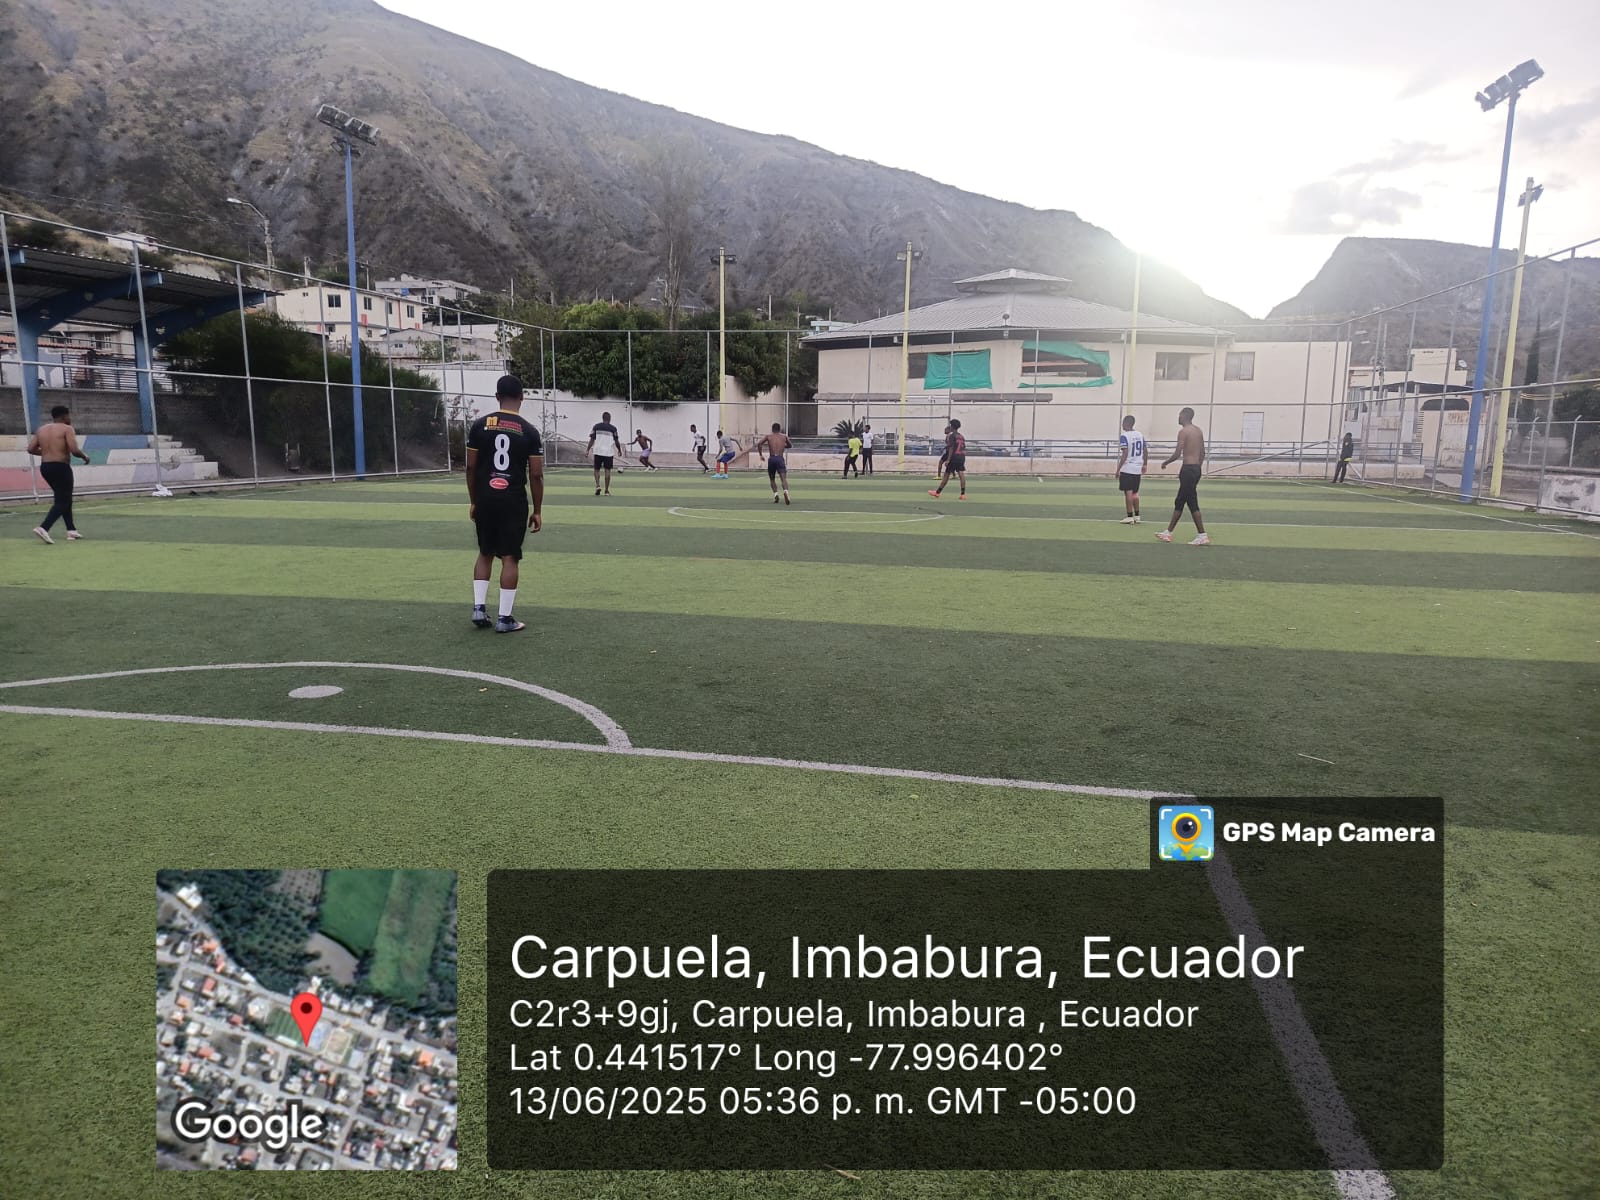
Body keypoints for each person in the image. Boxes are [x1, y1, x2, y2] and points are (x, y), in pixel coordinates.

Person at [465, 375, 544, 632]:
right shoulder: (529, 431)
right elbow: (536, 474)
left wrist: (474, 500)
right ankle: (504, 618)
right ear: (522, 397)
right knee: (510, 557)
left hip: (485, 498)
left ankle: (479, 609)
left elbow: (470, 467)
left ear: (497, 397)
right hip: (513, 500)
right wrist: (537, 510)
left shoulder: (479, 426)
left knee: (485, 552)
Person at [28, 404, 92, 544]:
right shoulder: (67, 428)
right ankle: (44, 527)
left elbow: (31, 449)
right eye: (69, 415)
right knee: (63, 500)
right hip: (61, 467)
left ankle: (71, 530)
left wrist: (46, 452)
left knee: (64, 498)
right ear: (64, 416)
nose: (70, 418)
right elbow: (74, 450)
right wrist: (85, 456)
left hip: (46, 467)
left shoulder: (41, 429)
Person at [1157, 407, 1209, 546]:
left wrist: (1166, 462)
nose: (1178, 417)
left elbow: (1177, 453)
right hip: (1195, 469)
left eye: (1180, 415)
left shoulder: (1183, 432)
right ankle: (1168, 532)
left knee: (1189, 501)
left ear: (1185, 416)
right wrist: (1197, 467)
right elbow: (1203, 452)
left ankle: (1202, 535)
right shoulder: (1198, 431)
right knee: (1182, 501)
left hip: (1188, 470)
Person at [1115, 414, 1147, 524]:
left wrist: (1118, 469)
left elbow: (1125, 453)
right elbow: (1145, 450)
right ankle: (1137, 515)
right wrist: (1145, 464)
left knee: (1128, 492)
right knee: (1135, 493)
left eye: (1123, 423)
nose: (1122, 425)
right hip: (1137, 468)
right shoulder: (1140, 435)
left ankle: (1129, 516)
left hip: (1128, 468)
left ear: (1126, 423)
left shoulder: (1124, 436)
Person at [928, 418, 968, 500]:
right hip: (961, 456)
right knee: (961, 474)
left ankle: (937, 492)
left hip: (954, 457)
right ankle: (963, 494)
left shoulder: (952, 435)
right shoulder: (961, 436)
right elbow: (962, 446)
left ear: (952, 426)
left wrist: (948, 460)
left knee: (946, 474)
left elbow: (951, 448)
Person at [757, 422, 792, 505]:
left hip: (772, 458)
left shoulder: (768, 436)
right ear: (780, 429)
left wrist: (761, 455)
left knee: (772, 478)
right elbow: (790, 445)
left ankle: (776, 494)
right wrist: (783, 446)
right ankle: (786, 492)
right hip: (780, 458)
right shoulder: (784, 436)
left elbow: (759, 443)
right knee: (783, 478)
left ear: (772, 429)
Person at [586, 411, 621, 495]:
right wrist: (619, 450)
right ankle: (606, 490)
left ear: (602, 418)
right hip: (608, 452)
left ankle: (598, 485)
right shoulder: (613, 428)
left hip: (598, 451)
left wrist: (587, 450)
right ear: (610, 419)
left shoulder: (596, 426)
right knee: (607, 470)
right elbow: (616, 441)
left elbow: (592, 439)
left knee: (596, 469)